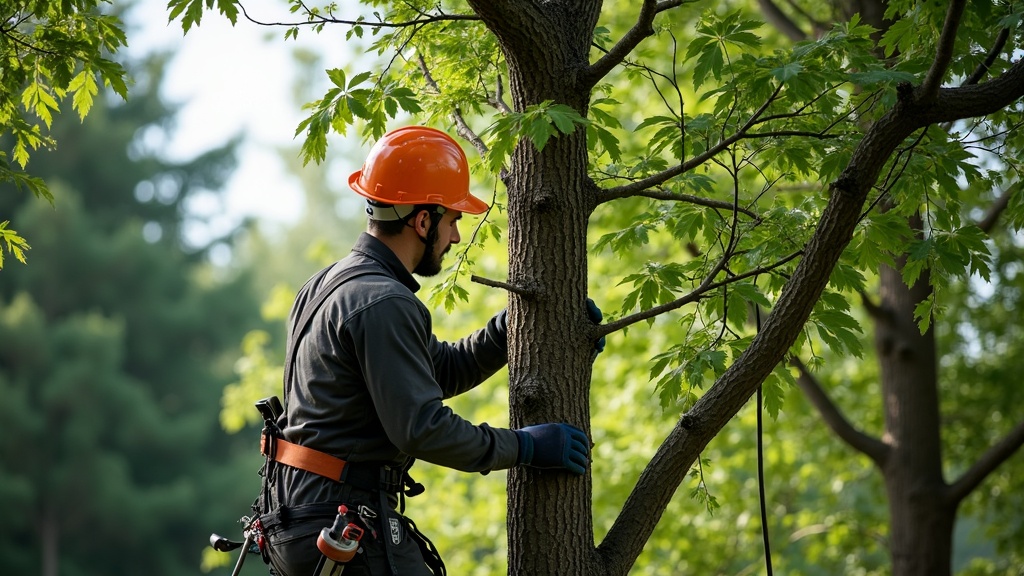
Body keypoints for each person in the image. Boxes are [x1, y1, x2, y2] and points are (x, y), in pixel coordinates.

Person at [257, 125, 592, 576]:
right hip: (338, 518)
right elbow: (422, 428)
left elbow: (435, 372)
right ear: (422, 220)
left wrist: (506, 332)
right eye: (452, 220)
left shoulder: (326, 286)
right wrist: (523, 448)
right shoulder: (385, 302)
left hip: (303, 516)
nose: (455, 236)